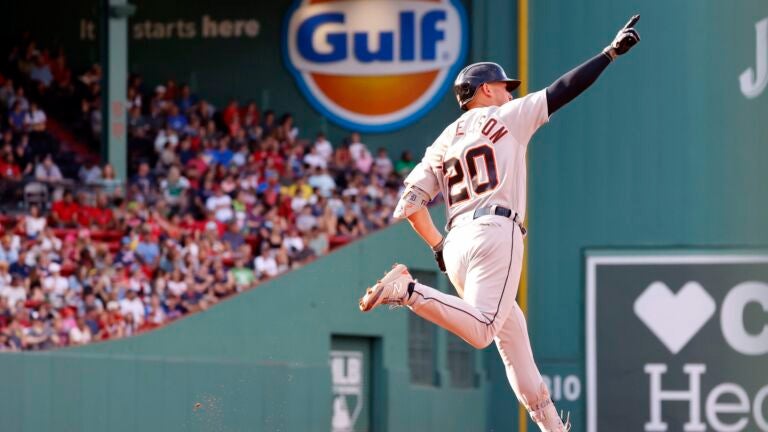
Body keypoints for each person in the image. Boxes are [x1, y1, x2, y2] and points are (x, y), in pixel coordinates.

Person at [358, 16, 641, 432]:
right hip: (496, 233)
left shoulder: (440, 143)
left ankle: (552, 427)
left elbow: (411, 205)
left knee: (513, 343)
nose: (509, 90)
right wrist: (608, 54)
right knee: (484, 330)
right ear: (486, 90)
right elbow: (564, 89)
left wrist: (439, 248)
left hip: (456, 242)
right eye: (504, 86)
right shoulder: (507, 116)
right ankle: (409, 292)